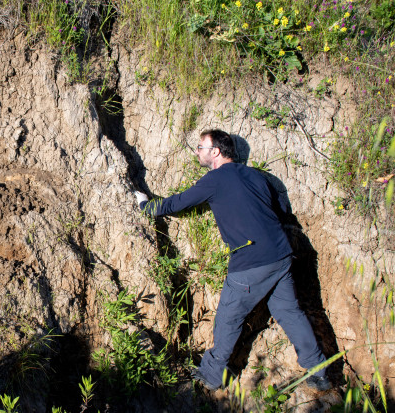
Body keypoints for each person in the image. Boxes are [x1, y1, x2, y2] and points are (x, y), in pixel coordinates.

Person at [135, 129, 330, 391]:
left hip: (251, 261)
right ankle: (319, 370)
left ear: (215, 152)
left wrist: (147, 206)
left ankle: (211, 375)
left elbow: (178, 203)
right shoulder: (257, 176)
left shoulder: (215, 179)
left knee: (228, 317)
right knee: (290, 313)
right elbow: (281, 207)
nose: (197, 152)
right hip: (281, 254)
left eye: (201, 147)